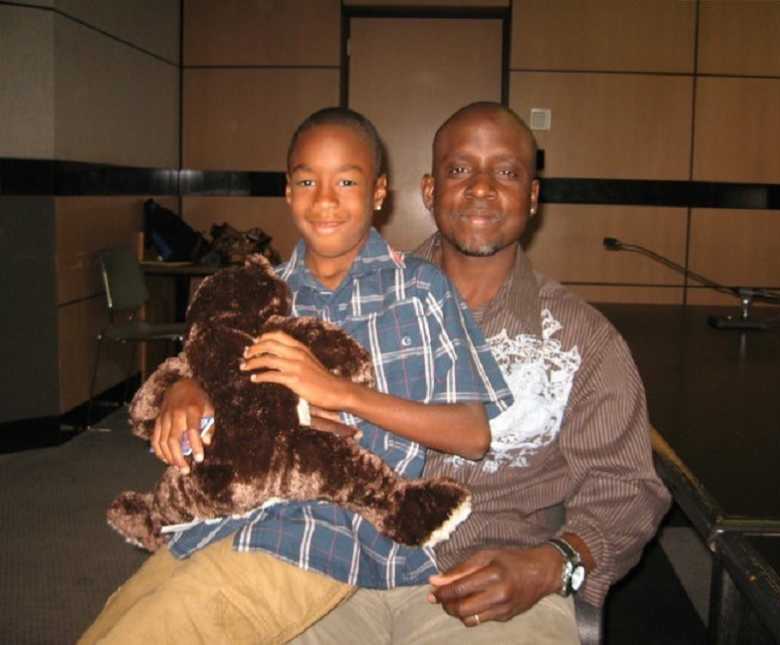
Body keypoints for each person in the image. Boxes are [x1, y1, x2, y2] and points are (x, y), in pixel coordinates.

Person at [79, 107, 513, 644]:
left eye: (346, 181)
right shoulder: (262, 290)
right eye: (307, 180)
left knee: (156, 631)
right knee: (120, 615)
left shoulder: (420, 289)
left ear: (379, 192)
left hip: (326, 535)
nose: (325, 199)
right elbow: (214, 369)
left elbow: (472, 435)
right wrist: (186, 387)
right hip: (224, 517)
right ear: (288, 192)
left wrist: (340, 393)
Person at [290, 102, 672, 644]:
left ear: (533, 198)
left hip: (490, 585)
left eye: (508, 172)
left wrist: (552, 562)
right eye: (460, 169)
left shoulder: (583, 338)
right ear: (429, 191)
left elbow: (627, 487)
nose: (482, 188)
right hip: (337, 564)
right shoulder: (350, 294)